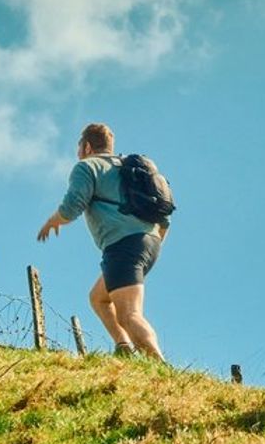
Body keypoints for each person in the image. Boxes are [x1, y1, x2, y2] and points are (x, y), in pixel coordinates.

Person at [37, 123, 168, 360]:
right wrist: (151, 242)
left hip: (123, 245)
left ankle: (160, 366)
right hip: (151, 241)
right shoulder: (130, 168)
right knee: (98, 298)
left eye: (79, 148)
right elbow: (164, 213)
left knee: (129, 314)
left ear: (87, 146)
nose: (78, 153)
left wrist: (52, 221)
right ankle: (124, 347)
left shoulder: (87, 166)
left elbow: (72, 206)